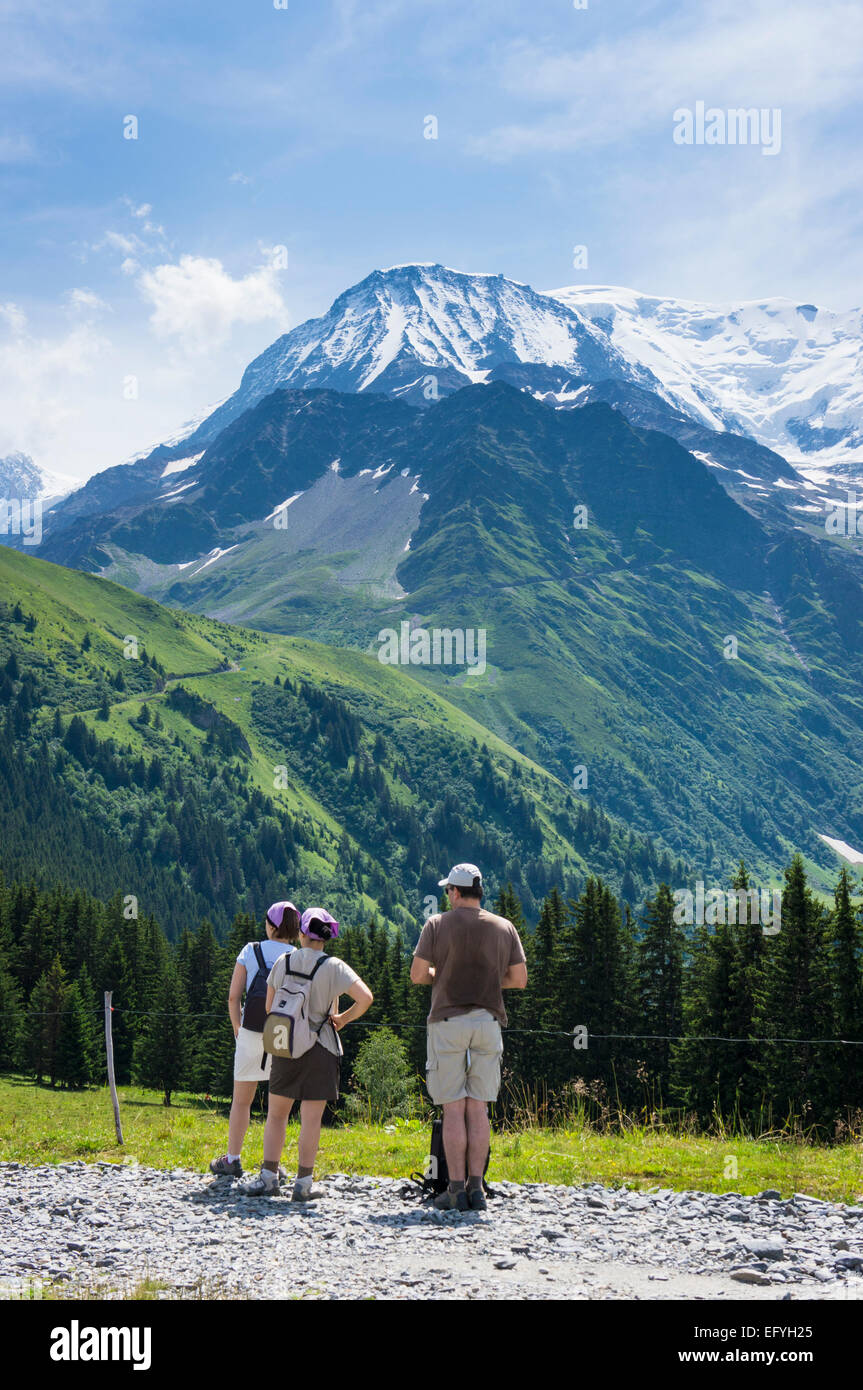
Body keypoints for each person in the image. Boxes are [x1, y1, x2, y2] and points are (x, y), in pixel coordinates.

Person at [410, 863, 527, 1211]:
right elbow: (519, 979)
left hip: (448, 1022)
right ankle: (478, 1190)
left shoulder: (437, 924)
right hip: (488, 1022)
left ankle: (456, 1190)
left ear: (456, 892)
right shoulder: (504, 927)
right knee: (479, 1109)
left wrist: (441, 973)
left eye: (448, 890)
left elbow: (418, 975)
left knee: (453, 1107)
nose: (448, 895)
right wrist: (490, 982)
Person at [239, 907, 373, 1200]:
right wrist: (343, 1019)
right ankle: (303, 1184)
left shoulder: (285, 961)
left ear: (300, 933)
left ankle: (268, 1177)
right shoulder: (334, 966)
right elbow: (366, 998)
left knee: (276, 1115)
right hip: (321, 1048)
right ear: (326, 938)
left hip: (285, 1046)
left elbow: (268, 1008)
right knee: (310, 1120)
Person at [209, 901, 300, 1179]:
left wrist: (238, 1028)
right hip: (282, 1033)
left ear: (271, 926)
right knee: (278, 1107)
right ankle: (272, 1164)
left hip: (250, 1031)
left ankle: (232, 1160)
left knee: (241, 1101)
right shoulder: (296, 955)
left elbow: (234, 996)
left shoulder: (251, 951)